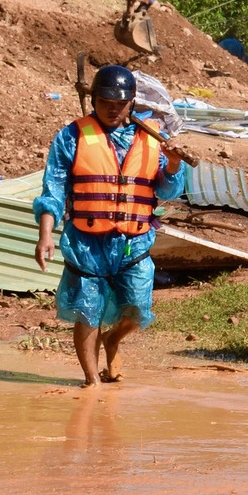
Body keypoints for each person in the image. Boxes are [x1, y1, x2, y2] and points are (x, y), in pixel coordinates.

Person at [32, 65, 190, 388]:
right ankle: (92, 382)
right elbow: (53, 191)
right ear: (94, 100)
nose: (112, 108)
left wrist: (173, 165)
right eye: (105, 101)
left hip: (133, 243)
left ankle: (113, 339)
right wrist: (45, 235)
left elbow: (167, 189)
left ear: (132, 102)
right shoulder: (71, 137)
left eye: (119, 102)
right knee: (87, 310)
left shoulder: (150, 138)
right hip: (87, 245)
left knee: (138, 306)